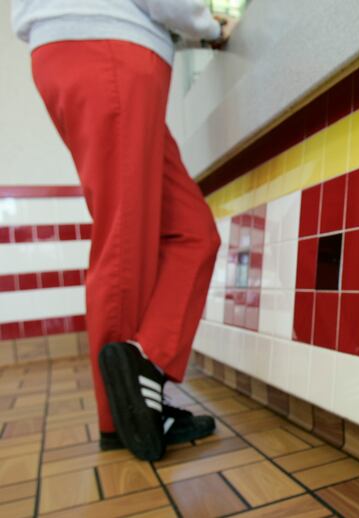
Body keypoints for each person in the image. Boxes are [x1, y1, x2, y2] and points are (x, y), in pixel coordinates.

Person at [11, 0, 235, 461]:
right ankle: (125, 415)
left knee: (193, 232)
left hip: (88, 48)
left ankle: (144, 370)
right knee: (125, 239)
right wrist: (206, 24)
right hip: (107, 46)